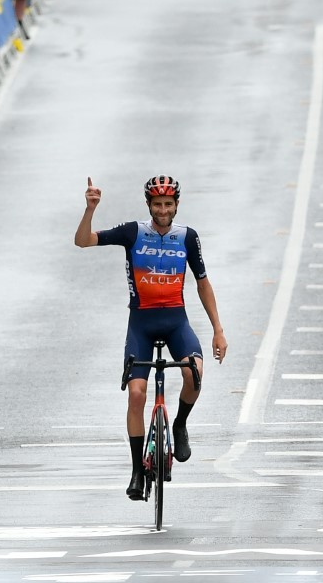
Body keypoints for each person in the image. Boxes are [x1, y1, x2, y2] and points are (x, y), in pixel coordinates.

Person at [73, 175, 228, 502]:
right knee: (137, 394)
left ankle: (180, 425)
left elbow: (202, 283)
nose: (162, 210)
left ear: (176, 206)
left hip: (176, 322)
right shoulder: (133, 232)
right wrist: (90, 209)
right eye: (157, 205)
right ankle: (136, 472)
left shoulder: (187, 237)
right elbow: (83, 241)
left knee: (194, 374)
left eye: (167, 205)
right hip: (141, 324)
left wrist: (218, 329)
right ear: (149, 205)